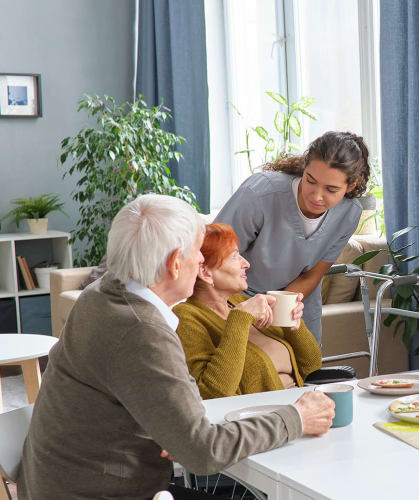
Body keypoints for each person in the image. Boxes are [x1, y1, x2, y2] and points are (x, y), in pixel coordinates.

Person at [18, 194, 335, 499]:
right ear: (174, 263)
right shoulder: (143, 331)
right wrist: (296, 418)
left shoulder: (101, 294)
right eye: (197, 251)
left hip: (62, 482)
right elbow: (203, 452)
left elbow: (172, 411)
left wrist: (178, 427)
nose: (200, 260)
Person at [215, 131, 371, 346]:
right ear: (304, 167)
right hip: (237, 299)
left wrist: (279, 308)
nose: (316, 196)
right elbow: (213, 258)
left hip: (295, 303)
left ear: (350, 186)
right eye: (311, 180)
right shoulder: (260, 193)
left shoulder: (348, 213)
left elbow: (312, 276)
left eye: (331, 189)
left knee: (303, 373)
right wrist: (246, 310)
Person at [173, 223, 322, 399]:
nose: (246, 263)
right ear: (205, 273)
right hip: (265, 418)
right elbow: (212, 393)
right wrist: (240, 319)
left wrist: (292, 323)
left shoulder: (242, 302)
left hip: (301, 404)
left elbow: (312, 366)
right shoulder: (186, 318)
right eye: (235, 256)